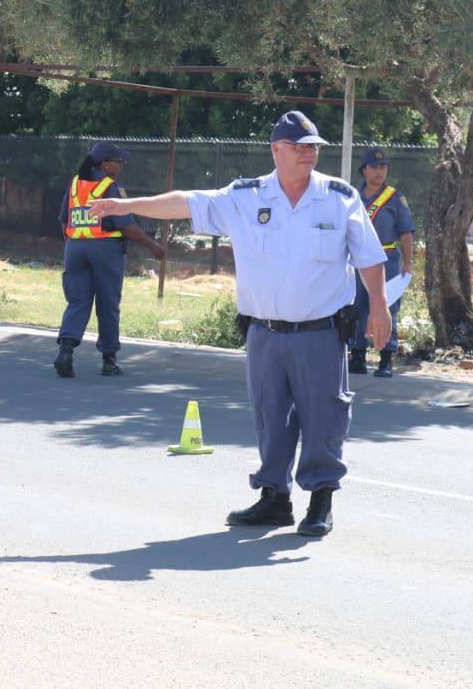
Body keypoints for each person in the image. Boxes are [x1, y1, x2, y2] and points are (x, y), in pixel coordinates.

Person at [87, 110, 390, 537]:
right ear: (276, 150)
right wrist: (127, 205)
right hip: (264, 332)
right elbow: (184, 201)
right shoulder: (245, 197)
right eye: (300, 147)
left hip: (320, 332)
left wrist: (379, 305)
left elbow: (370, 257)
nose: (309, 154)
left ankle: (321, 499)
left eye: (314, 148)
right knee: (271, 417)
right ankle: (274, 498)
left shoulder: (339, 198)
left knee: (324, 416)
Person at [53, 141, 166, 378]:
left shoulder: (75, 184)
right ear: (105, 164)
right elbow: (126, 226)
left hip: (75, 248)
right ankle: (109, 360)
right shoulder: (110, 187)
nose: (120, 166)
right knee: (107, 304)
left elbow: (65, 221)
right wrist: (152, 245)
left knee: (77, 301)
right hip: (105, 249)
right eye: (118, 161)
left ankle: (65, 352)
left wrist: (72, 246)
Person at [349, 147, 415, 378]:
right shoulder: (353, 197)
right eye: (374, 167)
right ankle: (357, 355)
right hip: (358, 261)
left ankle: (385, 359)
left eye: (383, 167)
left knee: (386, 308)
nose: (379, 172)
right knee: (358, 307)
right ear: (364, 170)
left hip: (387, 260)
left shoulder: (395, 198)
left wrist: (408, 262)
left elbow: (406, 232)